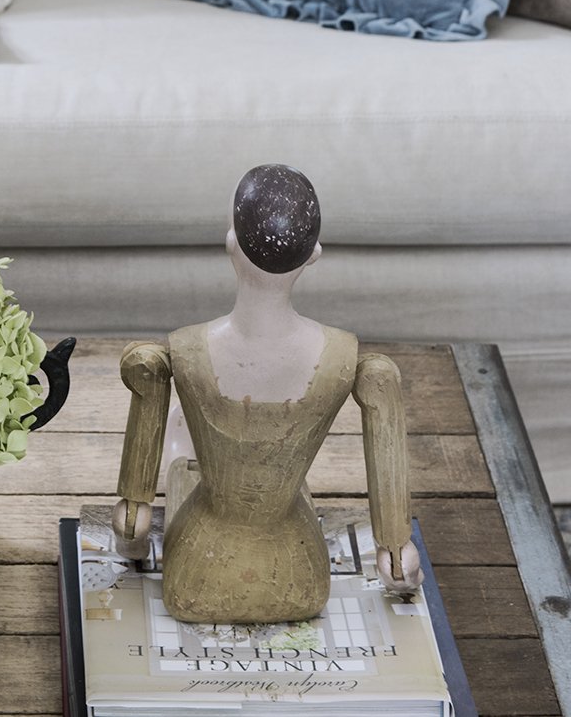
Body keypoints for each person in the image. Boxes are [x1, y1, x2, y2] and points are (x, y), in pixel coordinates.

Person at [111, 163, 422, 623]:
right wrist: (396, 551)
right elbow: (397, 553)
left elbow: (132, 519)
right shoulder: (344, 358)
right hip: (298, 574)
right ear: (313, 254)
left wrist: (133, 540)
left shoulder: (184, 351)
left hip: (198, 570)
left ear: (230, 242)